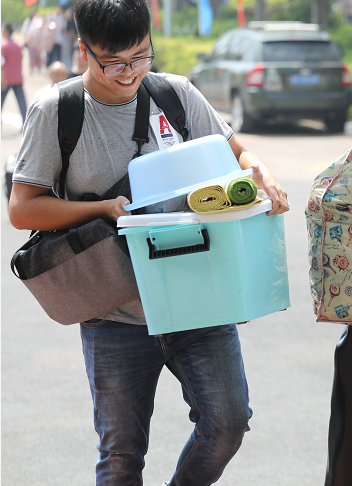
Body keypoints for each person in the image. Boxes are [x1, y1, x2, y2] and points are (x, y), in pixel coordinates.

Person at [8, 0, 289, 485]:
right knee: (120, 457)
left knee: (227, 423)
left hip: (201, 299)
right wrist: (99, 208)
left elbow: (236, 152)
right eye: (114, 62)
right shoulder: (59, 110)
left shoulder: (175, 94)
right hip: (114, 311)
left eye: (141, 57)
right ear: (83, 52)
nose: (130, 72)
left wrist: (260, 173)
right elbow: (23, 208)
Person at [1, 24, 27, 124]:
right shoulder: (18, 45)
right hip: (18, 78)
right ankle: (26, 124)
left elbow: (1, 64)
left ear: (6, 32)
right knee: (22, 103)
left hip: (6, 79)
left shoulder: (4, 46)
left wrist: (2, 80)